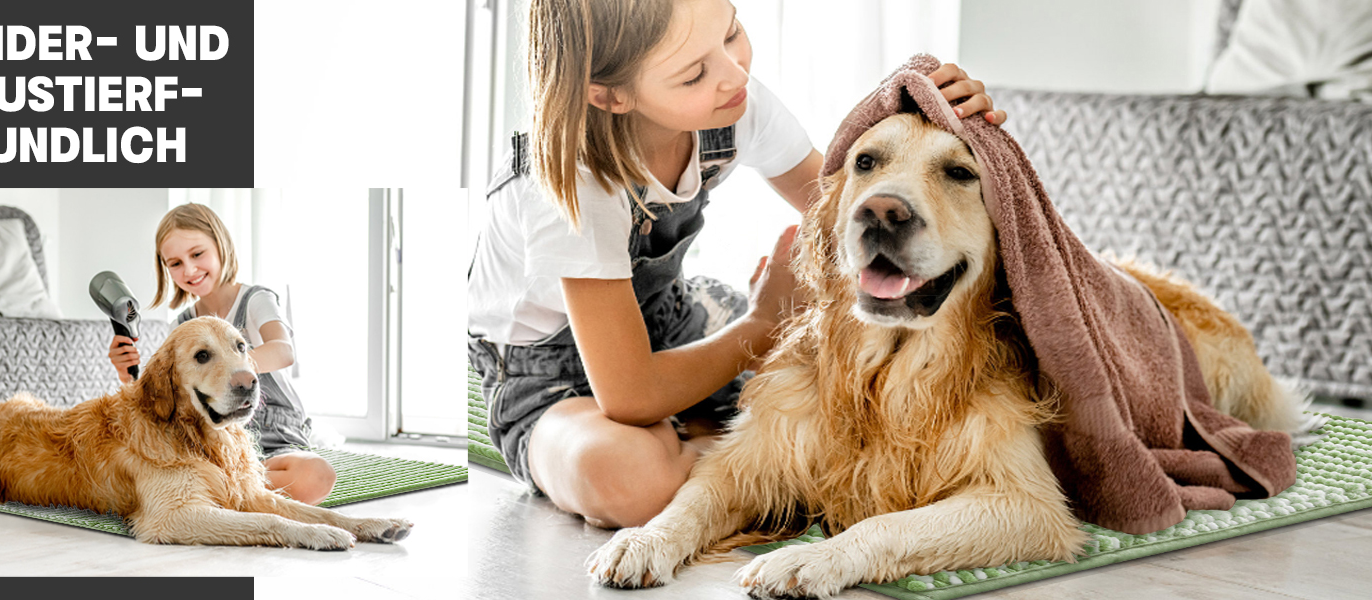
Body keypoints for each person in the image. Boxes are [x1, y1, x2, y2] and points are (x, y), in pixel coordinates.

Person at [468, 0, 1006, 529]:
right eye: (694, 73)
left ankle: (703, 440)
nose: (733, 75)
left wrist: (932, 107)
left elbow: (837, 209)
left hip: (675, 319)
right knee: (630, 480)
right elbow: (629, 395)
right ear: (609, 94)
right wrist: (761, 325)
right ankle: (718, 447)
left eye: (730, 33)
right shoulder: (574, 182)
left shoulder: (730, 104)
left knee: (843, 392)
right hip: (549, 379)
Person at [108, 203, 338, 505]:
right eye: (175, 263)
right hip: (214, 437)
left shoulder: (256, 299)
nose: (188, 270)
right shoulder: (181, 326)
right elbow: (164, 401)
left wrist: (226, 367)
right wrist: (127, 373)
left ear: (221, 245)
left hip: (273, 434)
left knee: (316, 476)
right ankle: (236, 493)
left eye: (197, 254)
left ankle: (218, 493)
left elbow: (283, 351)